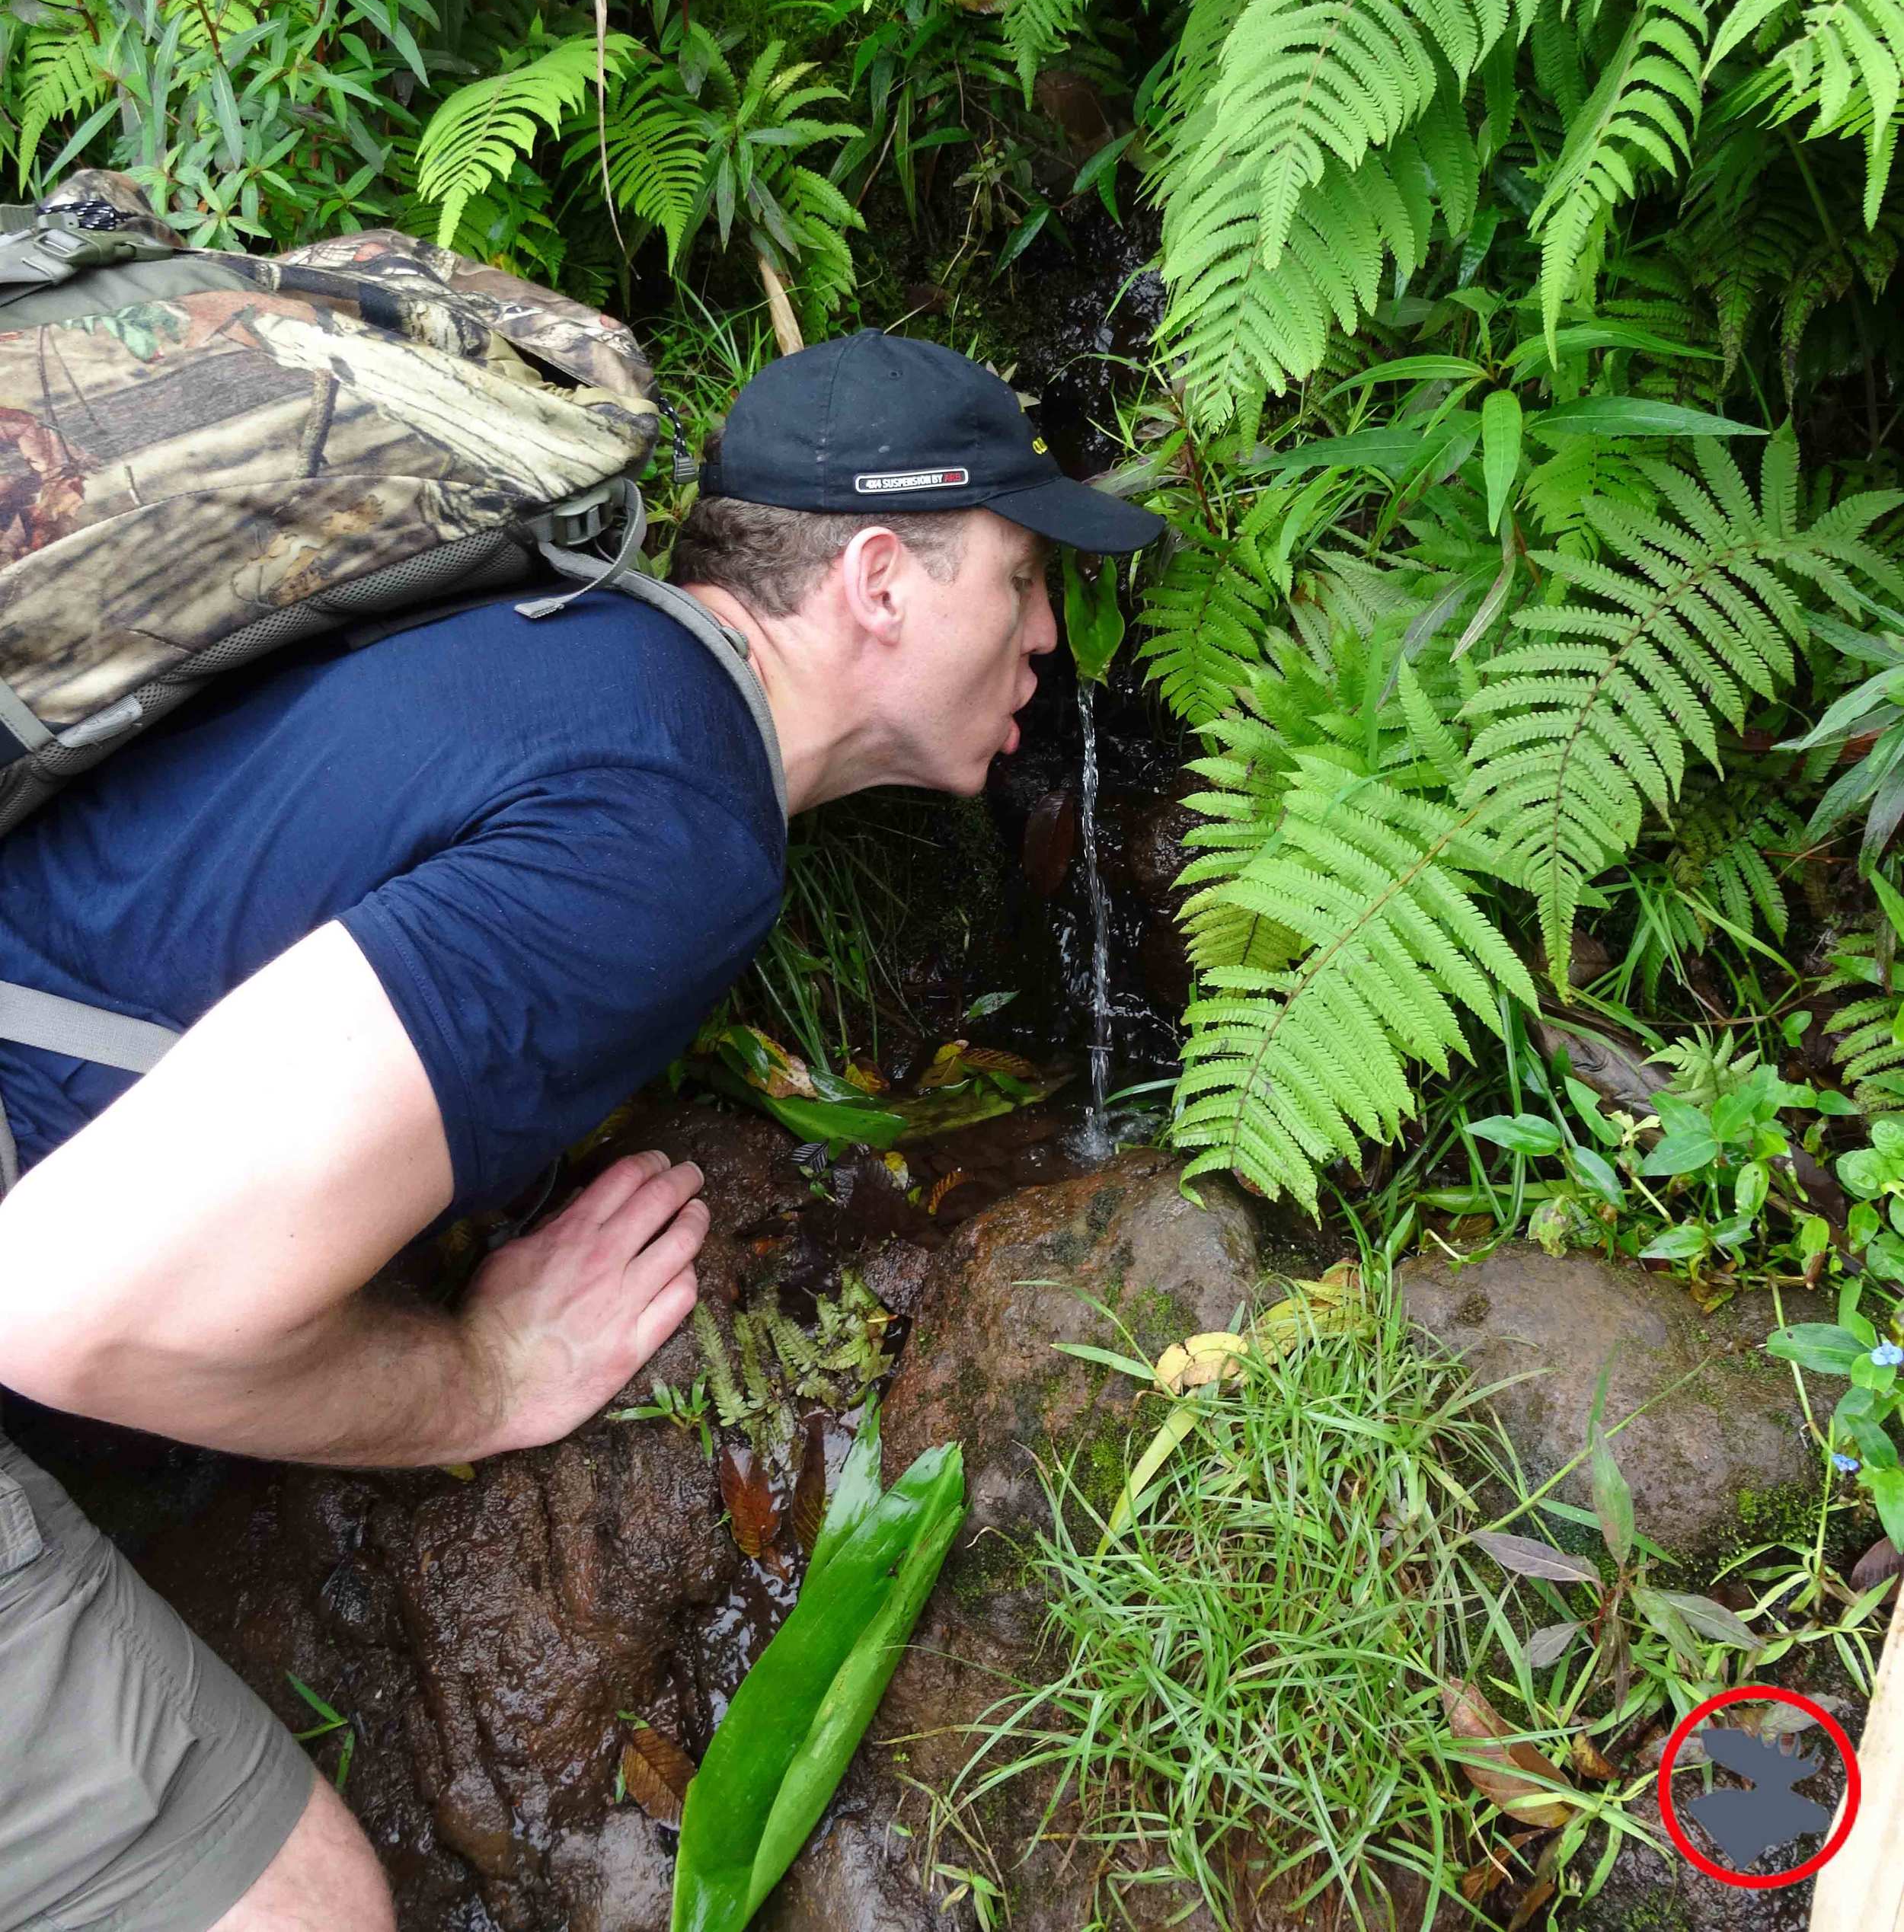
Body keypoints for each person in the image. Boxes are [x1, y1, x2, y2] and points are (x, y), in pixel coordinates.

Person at [0, 328, 1161, 1932]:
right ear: (879, 580)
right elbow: (62, 1312)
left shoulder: (567, 641)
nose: (1048, 634)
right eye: (1022, 578)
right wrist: (477, 1379)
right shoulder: (668, 832)